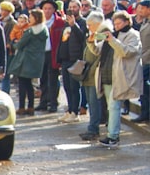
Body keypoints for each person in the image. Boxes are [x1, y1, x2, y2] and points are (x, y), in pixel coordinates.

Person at [92, 10, 143, 147]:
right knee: (111, 106)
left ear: (127, 22)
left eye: (119, 23)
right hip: (107, 75)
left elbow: (126, 52)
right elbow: (97, 51)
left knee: (114, 106)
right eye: (115, 23)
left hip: (121, 76)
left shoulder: (133, 35)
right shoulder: (113, 35)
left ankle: (113, 136)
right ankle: (112, 134)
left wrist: (113, 40)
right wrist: (91, 41)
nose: (116, 25)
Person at [7, 9, 48, 115]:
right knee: (29, 84)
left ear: (36, 18)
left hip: (25, 60)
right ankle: (30, 107)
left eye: (31, 17)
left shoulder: (30, 31)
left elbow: (20, 45)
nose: (29, 19)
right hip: (36, 59)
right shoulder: (44, 30)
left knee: (22, 84)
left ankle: (21, 107)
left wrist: (13, 43)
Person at [79, 12, 108, 141]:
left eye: (90, 25)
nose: (88, 27)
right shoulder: (93, 33)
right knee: (91, 102)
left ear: (97, 24)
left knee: (94, 103)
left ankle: (93, 129)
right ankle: (92, 127)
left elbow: (97, 53)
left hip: (95, 73)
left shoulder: (103, 33)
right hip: (89, 72)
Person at [57, 9, 87, 123]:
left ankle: (75, 112)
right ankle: (69, 110)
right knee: (67, 87)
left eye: (75, 7)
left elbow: (82, 38)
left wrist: (74, 25)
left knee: (74, 87)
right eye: (70, 6)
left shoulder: (82, 23)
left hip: (75, 60)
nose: (72, 9)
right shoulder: (65, 24)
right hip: (65, 59)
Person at [38, 0, 66, 113]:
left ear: (54, 9)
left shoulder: (59, 22)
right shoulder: (39, 22)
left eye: (49, 8)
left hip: (54, 53)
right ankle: (43, 102)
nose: (47, 11)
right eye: (45, 8)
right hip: (41, 53)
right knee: (43, 79)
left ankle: (53, 103)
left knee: (53, 79)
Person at [132, 0, 150, 122]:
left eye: (142, 8)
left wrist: (144, 57)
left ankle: (146, 112)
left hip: (148, 59)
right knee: (143, 87)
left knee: (144, 85)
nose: (139, 10)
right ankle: (145, 112)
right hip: (143, 58)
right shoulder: (145, 22)